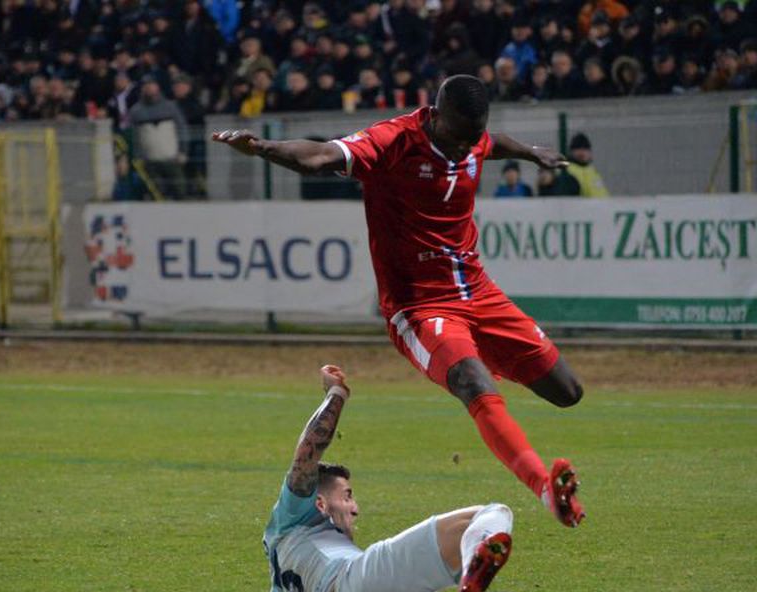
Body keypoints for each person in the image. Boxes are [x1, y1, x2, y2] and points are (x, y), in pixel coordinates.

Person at [214, 74, 586, 528]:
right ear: (434, 116)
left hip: (478, 292)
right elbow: (320, 156)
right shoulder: (392, 142)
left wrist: (531, 152)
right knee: (473, 381)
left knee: (568, 392)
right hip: (420, 307)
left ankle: (481, 354)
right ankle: (545, 488)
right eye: (456, 138)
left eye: (472, 139)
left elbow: (493, 143)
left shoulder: (471, 139)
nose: (463, 149)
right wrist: (264, 149)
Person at [264, 364, 531, 592]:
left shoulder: (286, 589)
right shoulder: (293, 517)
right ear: (320, 503)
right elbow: (307, 452)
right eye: (347, 496)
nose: (356, 508)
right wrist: (336, 393)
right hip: (356, 582)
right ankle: (471, 567)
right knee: (492, 514)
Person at [562, 132, 610, 197]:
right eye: (577, 148)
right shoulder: (568, 170)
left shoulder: (592, 171)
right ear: (571, 152)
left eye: (585, 148)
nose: (582, 152)